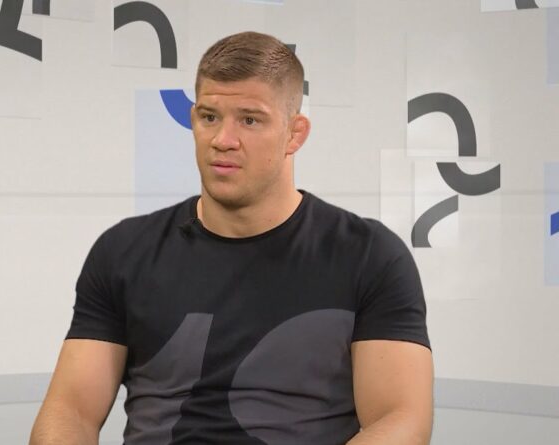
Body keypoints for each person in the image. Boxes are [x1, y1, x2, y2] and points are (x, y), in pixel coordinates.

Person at [30, 31, 433, 445]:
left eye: (250, 120)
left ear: (295, 133)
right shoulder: (123, 252)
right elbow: (71, 411)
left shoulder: (369, 256)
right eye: (209, 117)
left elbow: (400, 421)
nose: (223, 140)